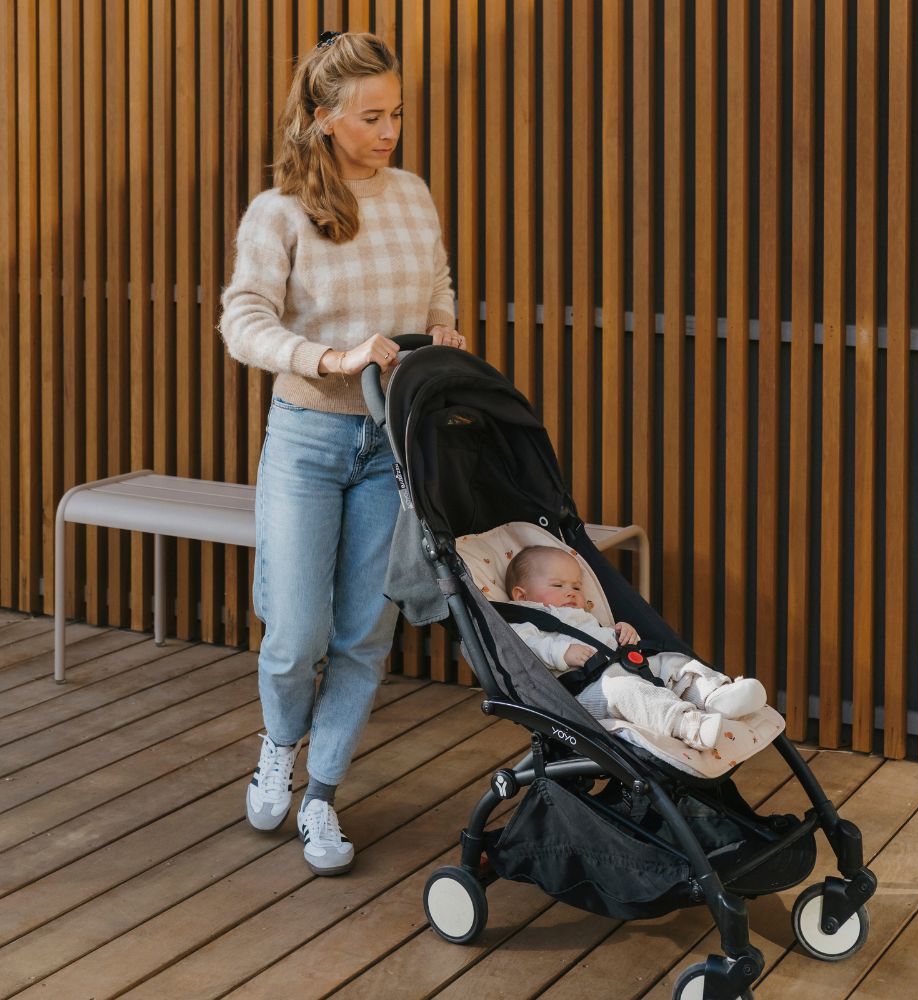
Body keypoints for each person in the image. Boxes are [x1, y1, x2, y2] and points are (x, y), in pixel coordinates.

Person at [219, 30, 465, 876]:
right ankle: (280, 745)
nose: (390, 130)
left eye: (396, 113)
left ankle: (321, 795)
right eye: (371, 116)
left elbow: (437, 282)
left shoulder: (412, 195)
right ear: (324, 120)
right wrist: (330, 358)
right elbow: (242, 322)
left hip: (391, 444)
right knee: (296, 635)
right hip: (308, 441)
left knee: (365, 634)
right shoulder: (278, 212)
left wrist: (441, 325)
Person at [504, 546, 767, 751]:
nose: (572, 592)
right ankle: (688, 726)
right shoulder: (525, 619)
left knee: (671, 661)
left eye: (576, 586)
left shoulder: (579, 615)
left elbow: (601, 636)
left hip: (624, 665)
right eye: (558, 585)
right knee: (627, 692)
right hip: (587, 692)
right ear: (521, 595)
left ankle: (715, 695)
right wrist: (562, 653)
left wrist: (623, 631)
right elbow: (525, 646)